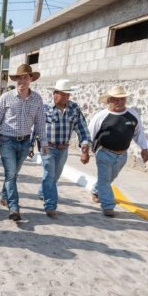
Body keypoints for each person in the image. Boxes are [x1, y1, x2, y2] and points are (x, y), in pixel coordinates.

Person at [0, 64, 47, 221]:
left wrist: (44, 142)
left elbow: (40, 122)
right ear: (16, 80)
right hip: (7, 141)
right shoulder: (6, 97)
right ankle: (14, 207)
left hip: (24, 142)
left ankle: (4, 195)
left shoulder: (37, 99)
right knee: (11, 173)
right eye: (20, 77)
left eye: (26, 77)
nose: (22, 80)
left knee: (13, 174)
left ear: (31, 79)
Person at [88, 85, 148, 217]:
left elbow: (139, 133)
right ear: (109, 100)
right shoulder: (101, 116)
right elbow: (90, 134)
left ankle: (96, 190)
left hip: (122, 155)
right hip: (104, 153)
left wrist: (144, 148)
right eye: (115, 99)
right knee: (105, 179)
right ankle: (108, 206)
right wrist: (85, 151)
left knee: (110, 178)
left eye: (122, 99)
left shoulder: (132, 115)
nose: (119, 102)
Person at [36, 79, 91, 216]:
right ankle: (50, 205)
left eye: (68, 94)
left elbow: (82, 128)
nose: (66, 97)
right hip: (47, 147)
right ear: (55, 94)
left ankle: (43, 192)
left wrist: (85, 148)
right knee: (49, 175)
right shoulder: (45, 108)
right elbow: (37, 128)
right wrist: (31, 146)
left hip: (63, 149)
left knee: (54, 176)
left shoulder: (74, 108)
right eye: (63, 94)